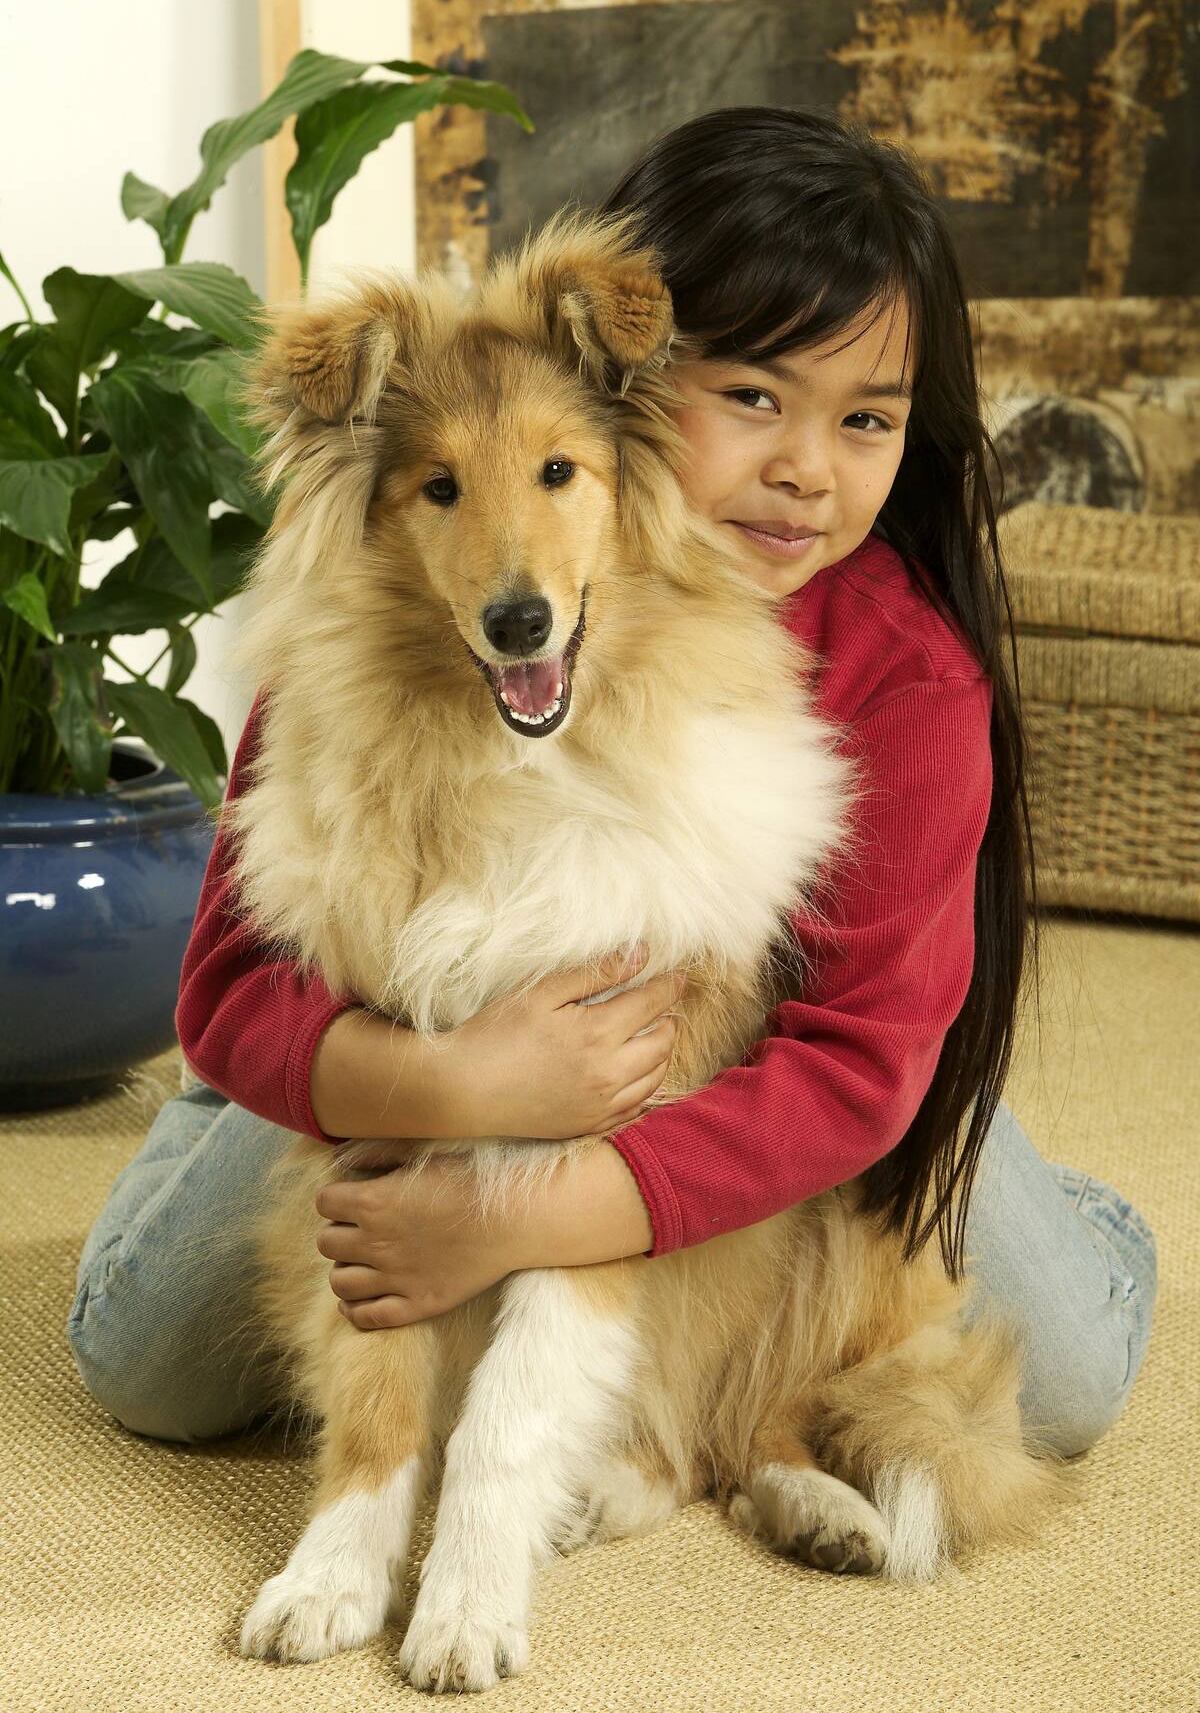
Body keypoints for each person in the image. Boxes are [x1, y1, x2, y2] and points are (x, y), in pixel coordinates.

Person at [66, 106, 1157, 1455]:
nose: (805, 470)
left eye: (865, 418)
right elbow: (232, 989)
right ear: (634, 376)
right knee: (149, 1362)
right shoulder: (421, 593)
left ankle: (1042, 1176)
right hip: (410, 1031)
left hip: (798, 1050)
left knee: (1063, 1378)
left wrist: (520, 1216)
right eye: (752, 395)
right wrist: (456, 1094)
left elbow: (849, 1068)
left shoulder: (908, 674)